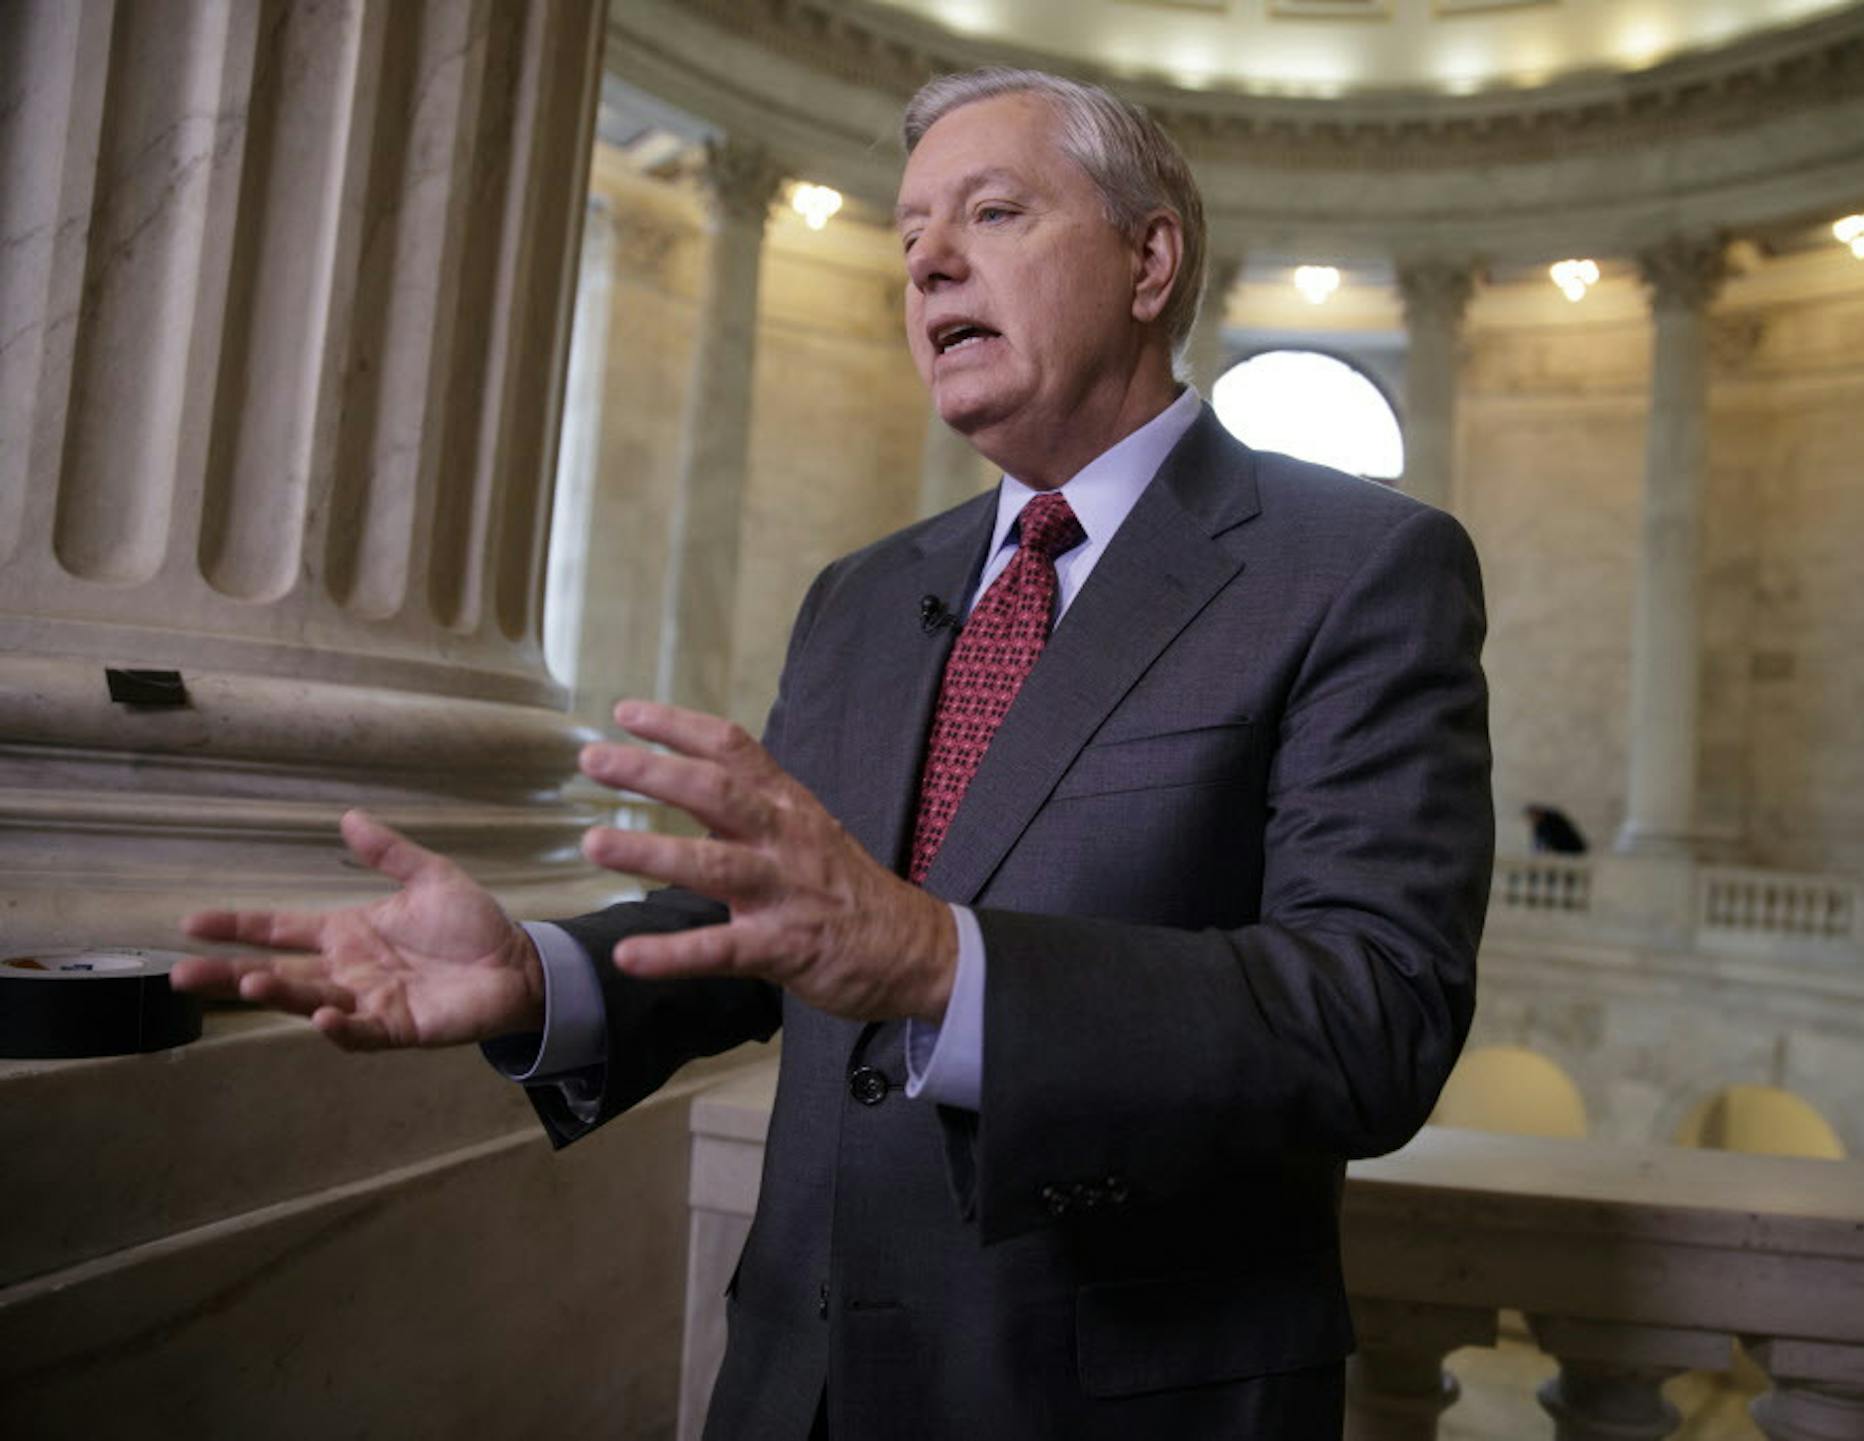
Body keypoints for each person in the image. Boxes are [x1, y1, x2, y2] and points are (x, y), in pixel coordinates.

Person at [175, 67, 1493, 1441]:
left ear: (1149, 258)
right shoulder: (863, 595)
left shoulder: (1356, 569)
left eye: (990, 212)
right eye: (909, 230)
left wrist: (942, 961)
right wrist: (538, 974)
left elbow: (1372, 1015)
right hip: (795, 1385)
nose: (926, 261)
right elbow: (774, 923)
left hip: (1113, 1400)